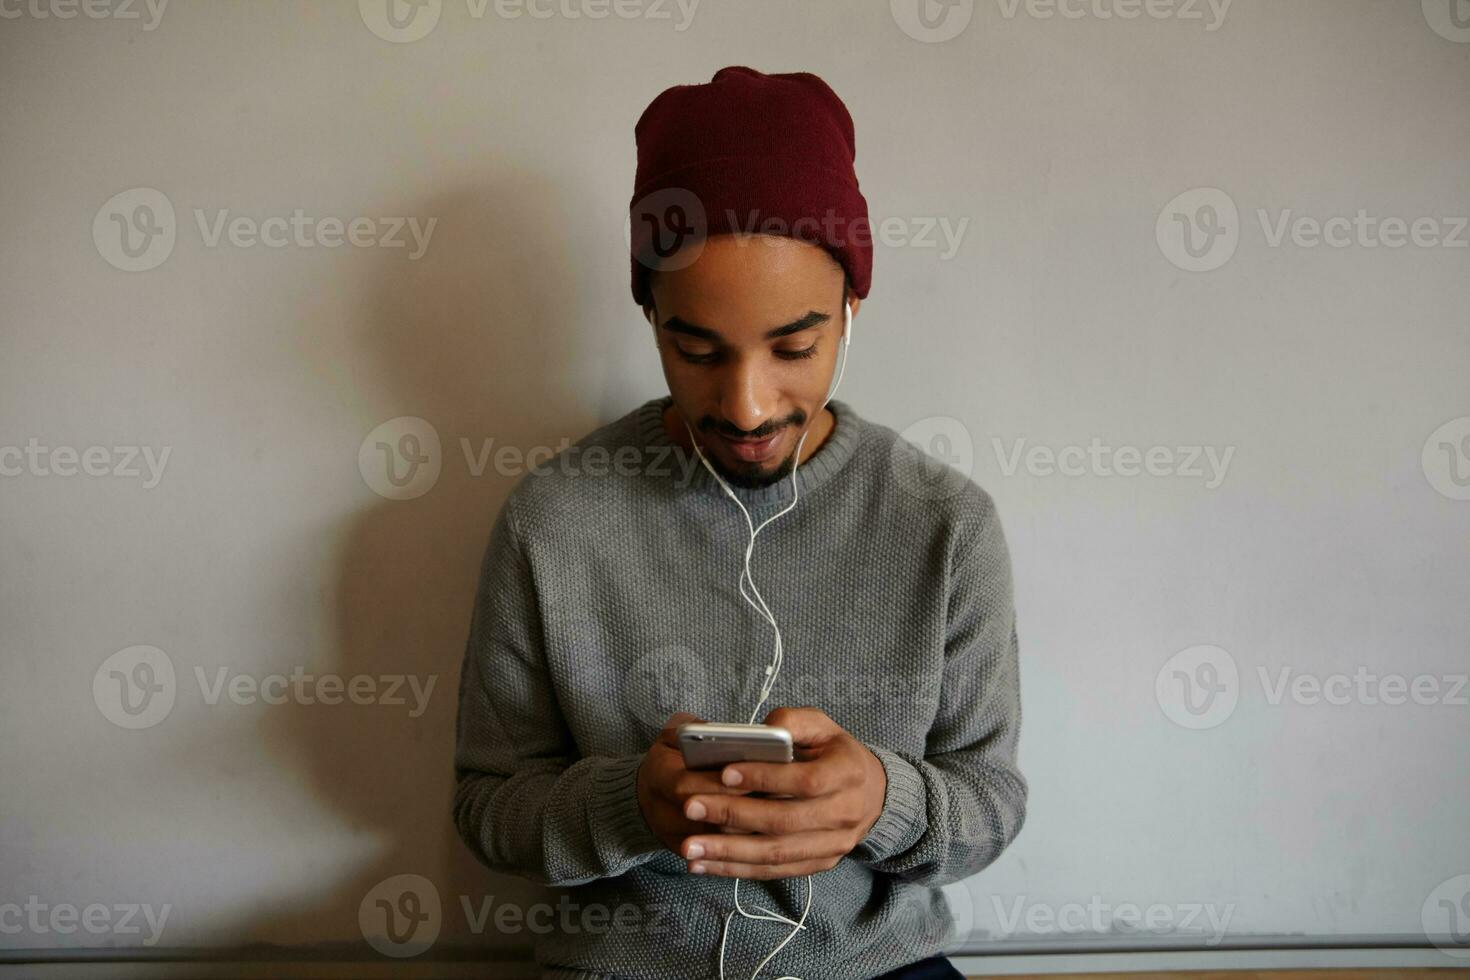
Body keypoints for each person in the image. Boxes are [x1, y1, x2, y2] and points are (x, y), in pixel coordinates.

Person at [452, 65, 1027, 980]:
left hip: (876, 970)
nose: (749, 407)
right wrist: (629, 807)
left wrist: (881, 799)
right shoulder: (554, 522)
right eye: (698, 348)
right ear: (649, 313)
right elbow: (489, 809)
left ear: (851, 313)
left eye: (795, 347)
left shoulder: (944, 527)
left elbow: (990, 804)